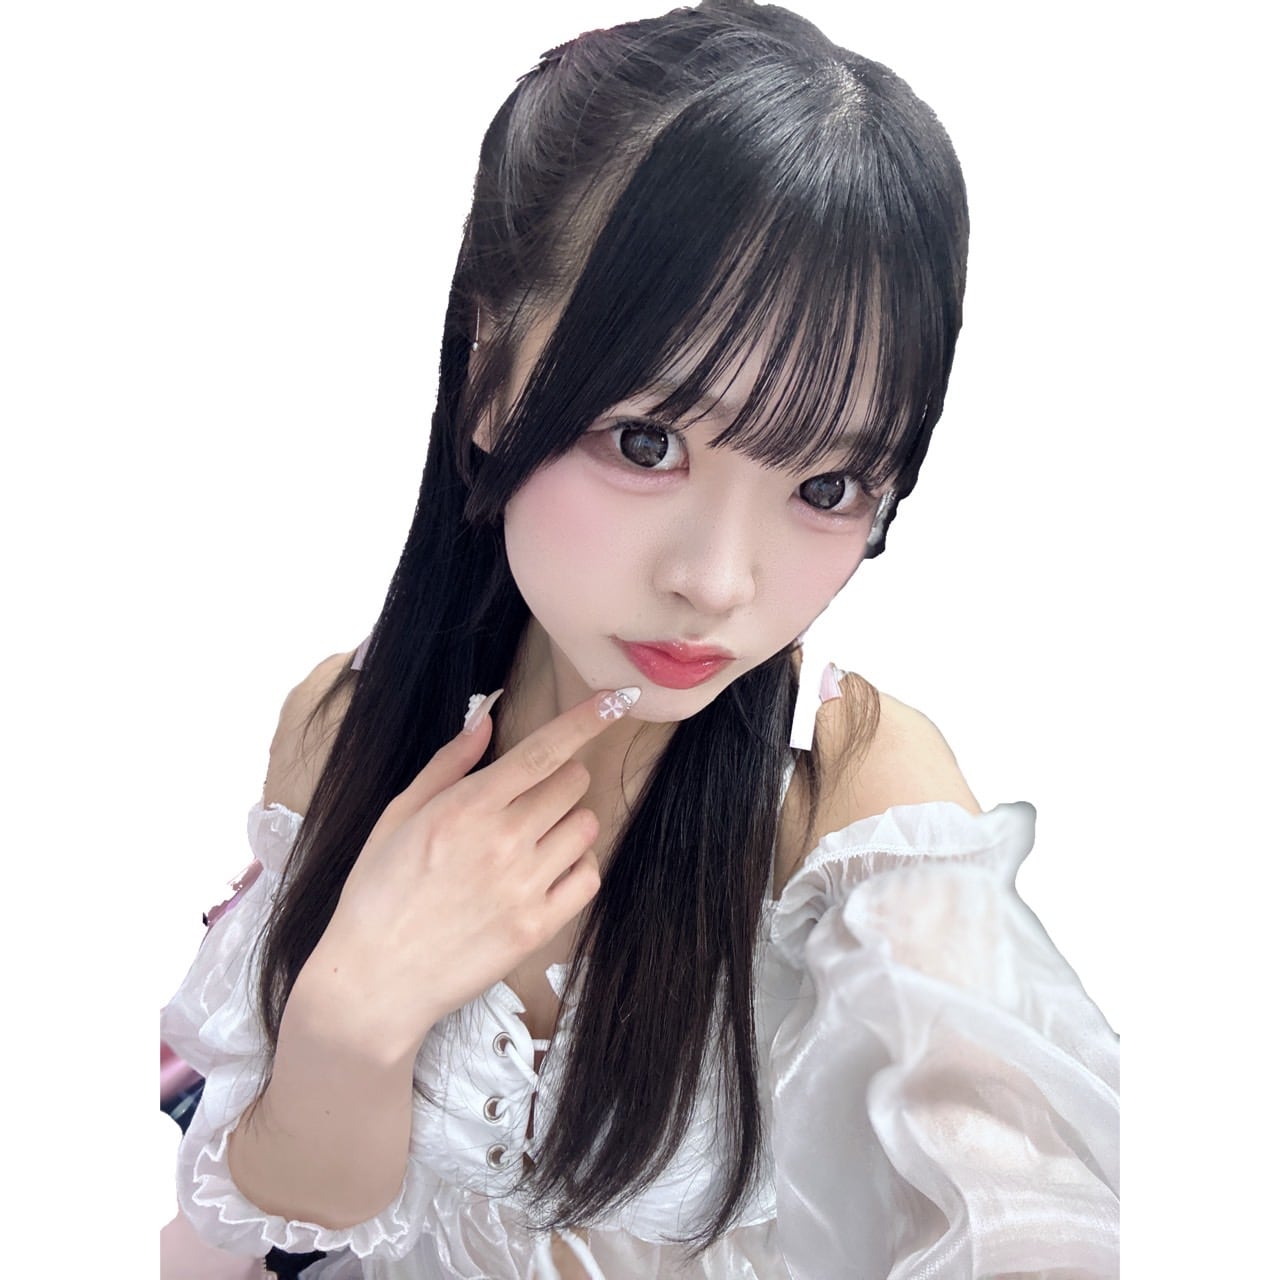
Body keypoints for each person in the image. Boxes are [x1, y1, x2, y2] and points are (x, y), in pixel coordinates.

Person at [160, 1, 1120, 1276]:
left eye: (826, 485)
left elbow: (1038, 1211)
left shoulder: (850, 801)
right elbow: (282, 1216)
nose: (716, 583)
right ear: (490, 375)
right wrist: (352, 1015)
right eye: (646, 441)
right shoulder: (345, 722)